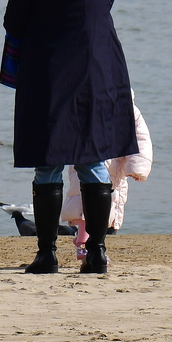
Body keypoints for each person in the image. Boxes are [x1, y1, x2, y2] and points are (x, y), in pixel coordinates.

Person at [0, 0, 137, 274]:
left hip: (48, 70)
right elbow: (104, 6)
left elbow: (14, 21)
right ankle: (97, 252)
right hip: (99, 67)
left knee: (48, 165)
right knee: (93, 161)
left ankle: (46, 254)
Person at [63, 91, 154, 256]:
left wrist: (137, 168)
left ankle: (88, 242)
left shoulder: (127, 108)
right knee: (88, 200)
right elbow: (141, 138)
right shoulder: (118, 105)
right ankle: (85, 242)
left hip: (109, 165)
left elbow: (140, 138)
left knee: (96, 201)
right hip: (92, 162)